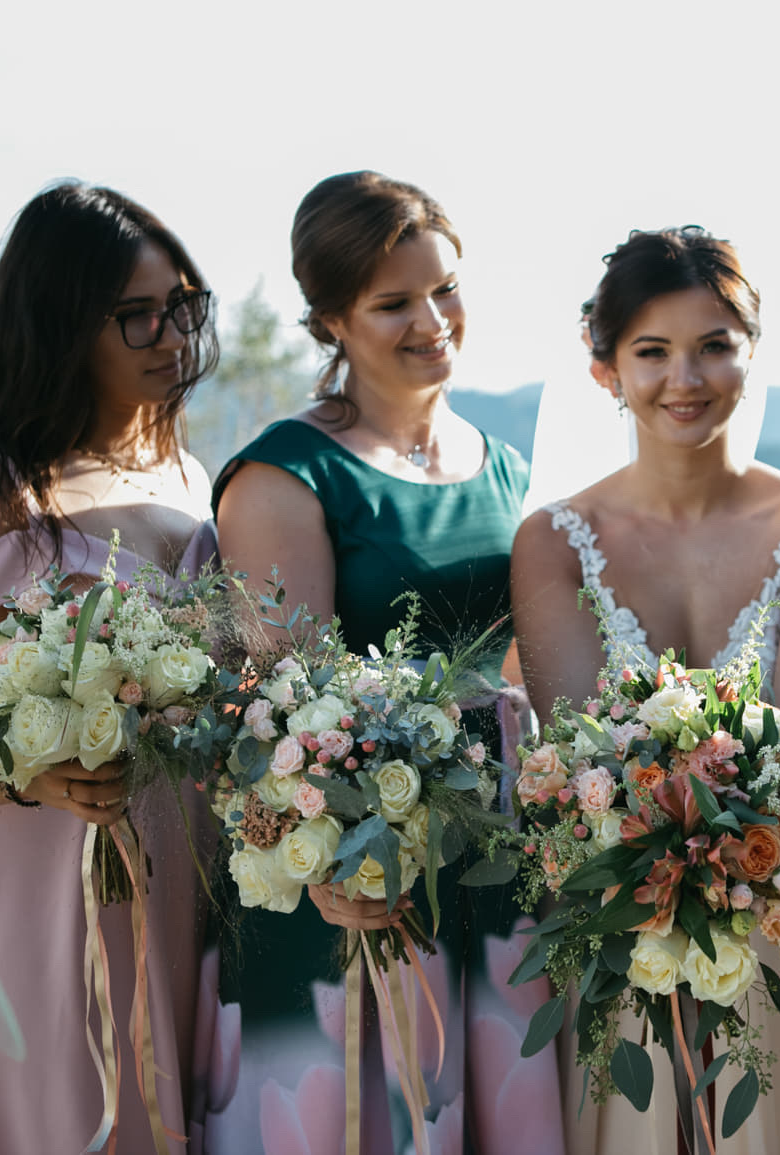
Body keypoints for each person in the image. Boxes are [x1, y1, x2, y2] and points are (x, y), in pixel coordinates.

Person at [512, 226, 780, 1153]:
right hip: (621, 922)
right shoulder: (553, 541)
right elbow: (580, 768)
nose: (684, 379)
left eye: (714, 346)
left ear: (751, 353)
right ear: (605, 367)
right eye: (652, 351)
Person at [207, 170, 564, 1155]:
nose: (433, 321)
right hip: (355, 868)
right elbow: (282, 709)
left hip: (495, 856)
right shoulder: (286, 474)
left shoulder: (507, 469)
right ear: (331, 320)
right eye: (394, 301)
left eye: (444, 288)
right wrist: (339, 857)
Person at [0, 182, 220, 1153]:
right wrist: (33, 769)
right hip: (24, 882)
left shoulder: (188, 475)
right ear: (63, 324)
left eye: (181, 305)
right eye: (137, 315)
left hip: (165, 862)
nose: (171, 336)